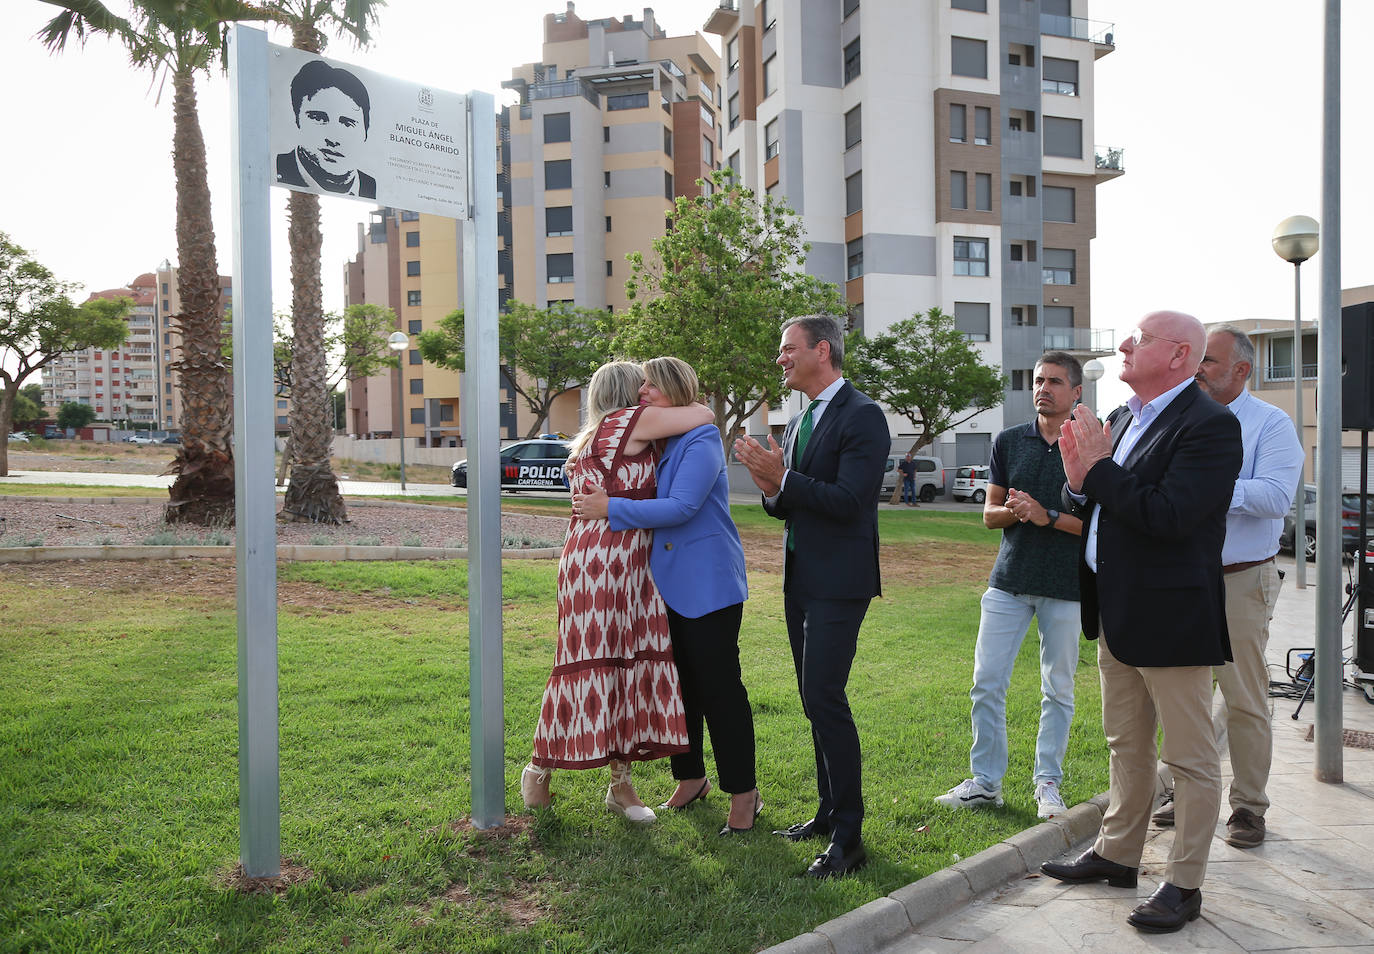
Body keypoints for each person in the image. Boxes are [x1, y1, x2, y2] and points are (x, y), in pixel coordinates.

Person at [1042, 311, 1242, 934]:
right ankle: (1117, 853)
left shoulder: (1211, 426)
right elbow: (1102, 499)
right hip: (1117, 609)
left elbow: (1169, 515)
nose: (1124, 344)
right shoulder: (1124, 417)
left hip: (1172, 617)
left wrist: (1097, 472)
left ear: (1180, 355)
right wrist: (1079, 481)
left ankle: (1184, 884)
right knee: (1125, 745)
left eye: (1141, 338)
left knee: (1188, 760)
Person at [521, 361, 714, 823]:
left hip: (598, 558)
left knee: (615, 664)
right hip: (611, 559)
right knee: (602, 663)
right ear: (629, 393)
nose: (649, 390)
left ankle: (619, 785)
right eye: (643, 384)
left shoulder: (589, 437)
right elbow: (703, 415)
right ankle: (540, 768)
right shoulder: (629, 421)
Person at [573, 357, 760, 836]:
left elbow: (681, 507)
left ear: (673, 388)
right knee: (679, 690)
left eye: (650, 386)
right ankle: (691, 779)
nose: (642, 394)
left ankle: (744, 794)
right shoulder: (657, 438)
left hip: (707, 583)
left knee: (720, 692)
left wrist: (607, 507)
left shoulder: (700, 440)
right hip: (659, 587)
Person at [733, 315, 889, 879]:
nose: (781, 358)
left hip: (840, 582)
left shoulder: (864, 416)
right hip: (801, 578)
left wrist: (785, 481)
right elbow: (788, 502)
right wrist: (774, 487)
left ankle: (850, 838)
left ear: (822, 350)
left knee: (825, 697)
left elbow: (851, 500)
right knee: (810, 697)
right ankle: (827, 815)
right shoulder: (800, 420)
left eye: (788, 349)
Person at [1150, 325, 1302, 848]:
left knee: (1243, 698)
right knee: (1184, 698)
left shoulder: (1271, 425)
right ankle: (1186, 794)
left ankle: (1248, 808)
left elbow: (1276, 498)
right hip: (1183, 579)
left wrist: (1204, 485)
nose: (1198, 370)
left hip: (1240, 579)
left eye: (1210, 362)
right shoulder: (1178, 418)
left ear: (1242, 370)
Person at [935, 352, 1085, 820]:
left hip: (1066, 586)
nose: (1044, 388)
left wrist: (1047, 516)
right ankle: (985, 782)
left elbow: (1097, 525)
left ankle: (1048, 784)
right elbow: (989, 515)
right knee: (986, 682)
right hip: (1008, 581)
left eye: (1055, 382)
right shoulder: (1010, 441)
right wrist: (1018, 513)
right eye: (1039, 380)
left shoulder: (1089, 444)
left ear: (1076, 392)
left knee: (1057, 689)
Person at [276, 60, 377, 199]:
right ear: (297, 119)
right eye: (318, 118)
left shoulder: (372, 186)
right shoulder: (276, 168)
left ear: (365, 132)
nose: (333, 139)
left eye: (347, 123)